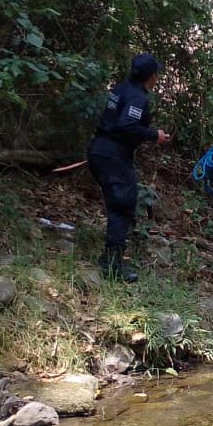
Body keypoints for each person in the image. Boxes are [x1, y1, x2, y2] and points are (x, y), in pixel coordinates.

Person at [87, 53, 172, 282]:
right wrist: (155, 135)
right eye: (157, 74)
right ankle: (113, 265)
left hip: (101, 149)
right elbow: (127, 124)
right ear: (151, 76)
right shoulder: (137, 97)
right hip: (113, 154)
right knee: (123, 205)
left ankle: (110, 257)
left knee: (120, 203)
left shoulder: (121, 88)